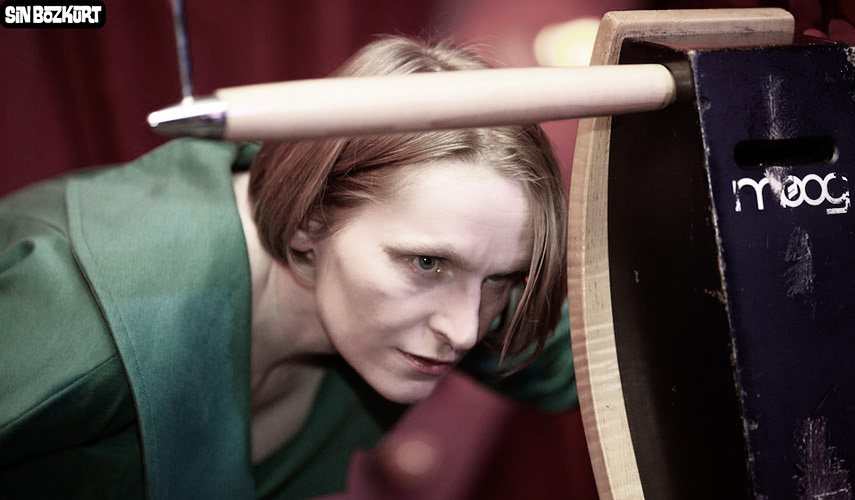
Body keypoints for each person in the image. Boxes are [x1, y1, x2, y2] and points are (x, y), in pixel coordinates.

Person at [0, 36, 577, 499]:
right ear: (309, 221)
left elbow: (604, 367)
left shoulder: (448, 281)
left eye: (503, 277)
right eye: (427, 263)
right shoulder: (86, 326)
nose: (468, 329)